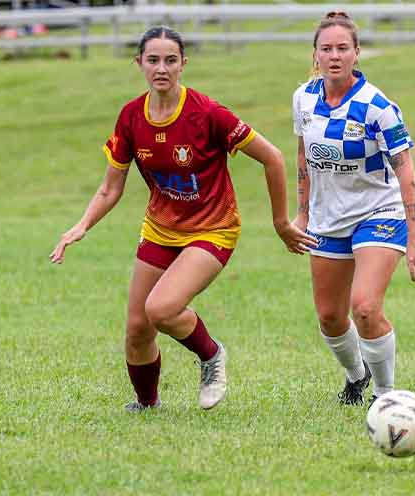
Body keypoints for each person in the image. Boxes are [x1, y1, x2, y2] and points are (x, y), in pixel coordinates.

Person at [50, 26, 316, 412]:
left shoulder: (207, 114)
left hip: (214, 228)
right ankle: (146, 405)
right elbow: (110, 188)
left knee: (160, 309)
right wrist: (82, 225)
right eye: (153, 60)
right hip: (160, 229)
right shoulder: (130, 117)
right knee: (137, 328)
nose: (162, 68)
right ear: (139, 63)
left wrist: (280, 223)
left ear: (183, 65)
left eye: (170, 60)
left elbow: (272, 157)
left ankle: (211, 356)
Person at [291, 12, 415, 406]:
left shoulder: (378, 107)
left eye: (342, 48)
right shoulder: (303, 98)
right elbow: (303, 158)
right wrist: (302, 213)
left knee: (366, 307)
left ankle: (386, 398)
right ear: (315, 54)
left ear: (357, 53)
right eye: (326, 49)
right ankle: (357, 374)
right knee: (330, 318)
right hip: (328, 218)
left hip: (379, 214)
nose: (334, 56)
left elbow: (407, 173)